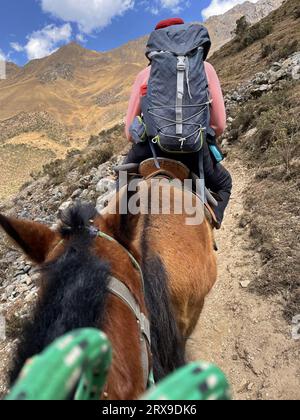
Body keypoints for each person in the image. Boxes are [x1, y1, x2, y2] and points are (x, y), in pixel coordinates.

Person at [124, 18, 232, 228]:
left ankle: (121, 232)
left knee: (121, 180)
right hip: (194, 152)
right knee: (224, 184)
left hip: (151, 151)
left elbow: (130, 132)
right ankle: (213, 221)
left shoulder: (145, 74)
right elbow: (219, 124)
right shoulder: (205, 68)